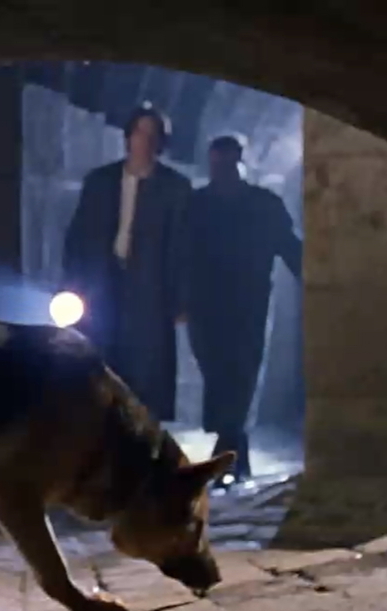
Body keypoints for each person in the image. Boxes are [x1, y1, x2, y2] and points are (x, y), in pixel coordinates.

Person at [61, 103, 192, 421]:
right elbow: (78, 236)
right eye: (139, 133)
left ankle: (141, 435)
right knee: (100, 359)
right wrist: (71, 285)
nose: (144, 141)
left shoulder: (175, 188)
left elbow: (184, 247)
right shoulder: (100, 181)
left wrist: (181, 299)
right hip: (103, 284)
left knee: (147, 368)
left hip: (151, 288)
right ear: (128, 137)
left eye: (152, 135)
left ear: (161, 143)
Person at [185, 135, 303, 482]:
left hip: (248, 307)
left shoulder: (264, 205)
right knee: (219, 376)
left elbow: (290, 248)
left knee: (241, 378)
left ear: (241, 164)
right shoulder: (195, 205)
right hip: (206, 306)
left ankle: (226, 454)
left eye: (227, 164)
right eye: (217, 164)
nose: (222, 171)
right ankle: (236, 454)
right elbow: (178, 253)